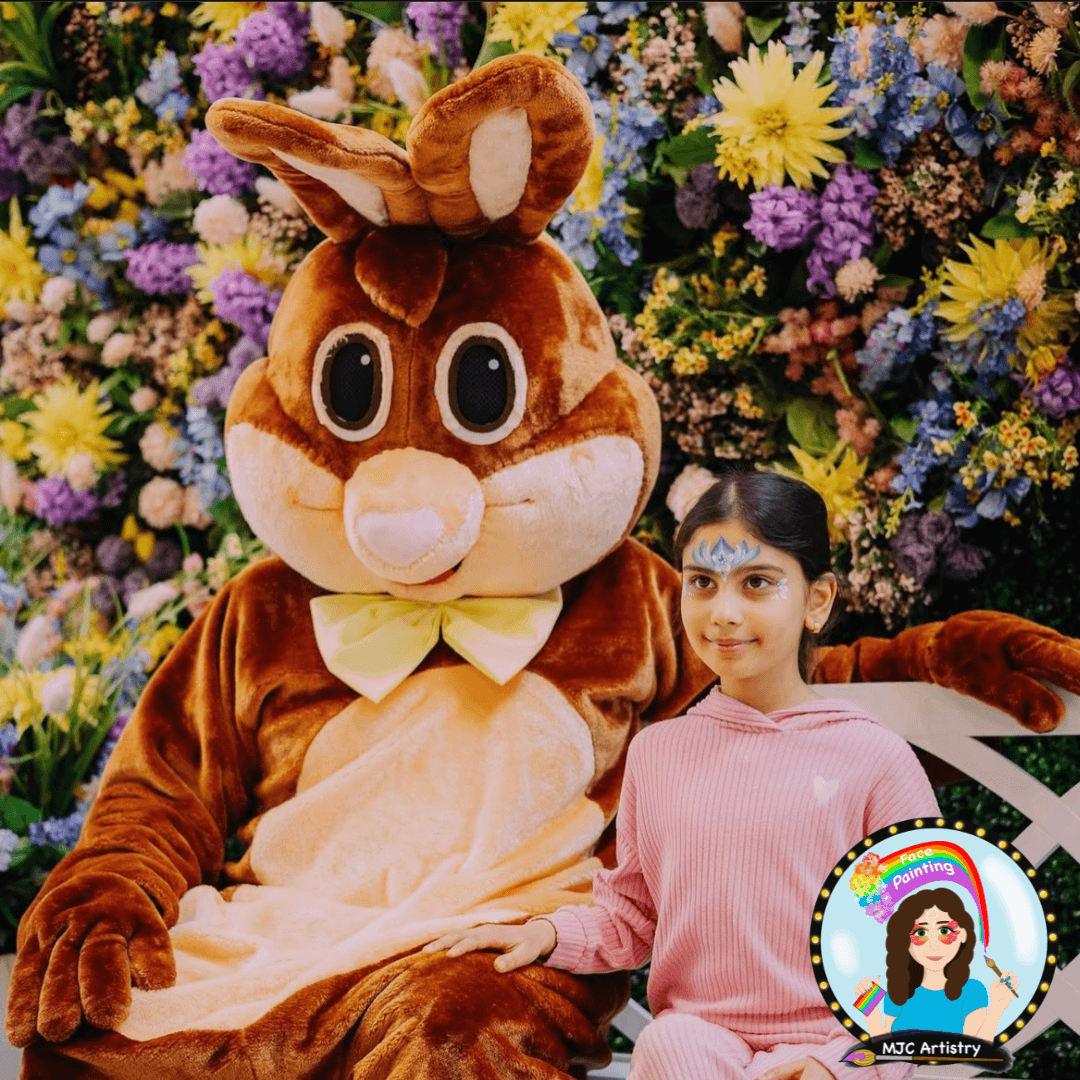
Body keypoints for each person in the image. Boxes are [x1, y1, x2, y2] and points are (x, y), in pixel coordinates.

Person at [424, 469, 941, 1080]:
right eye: (702, 583)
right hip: (700, 1046)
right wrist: (545, 934)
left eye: (757, 584)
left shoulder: (872, 759)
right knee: (668, 1044)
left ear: (818, 600)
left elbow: (927, 952)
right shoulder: (659, 754)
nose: (723, 612)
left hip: (837, 1047)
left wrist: (833, 1066)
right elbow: (633, 916)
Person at [856, 887, 1017, 1039]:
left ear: (962, 935)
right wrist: (869, 1007)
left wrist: (997, 1007)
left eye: (944, 931)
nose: (934, 945)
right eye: (920, 933)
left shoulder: (973, 992)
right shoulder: (897, 992)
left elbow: (974, 1051)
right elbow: (885, 1051)